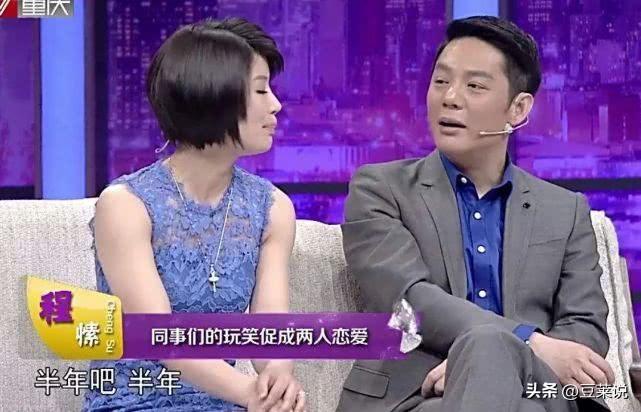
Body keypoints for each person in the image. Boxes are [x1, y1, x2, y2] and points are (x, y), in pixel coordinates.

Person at [337, 16, 614, 412]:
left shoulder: (565, 211)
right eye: (441, 81)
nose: (450, 98)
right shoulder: (379, 189)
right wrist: (511, 347)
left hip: (536, 396)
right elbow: (408, 303)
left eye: (474, 86)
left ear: (518, 109)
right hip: (415, 397)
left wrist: (493, 365)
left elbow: (585, 325)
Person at [83, 17, 306, 412]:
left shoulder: (272, 209)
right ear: (212, 95)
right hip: (135, 403)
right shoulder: (126, 205)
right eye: (260, 89)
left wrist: (277, 384)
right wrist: (249, 393)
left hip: (228, 403)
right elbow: (159, 336)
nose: (275, 104)